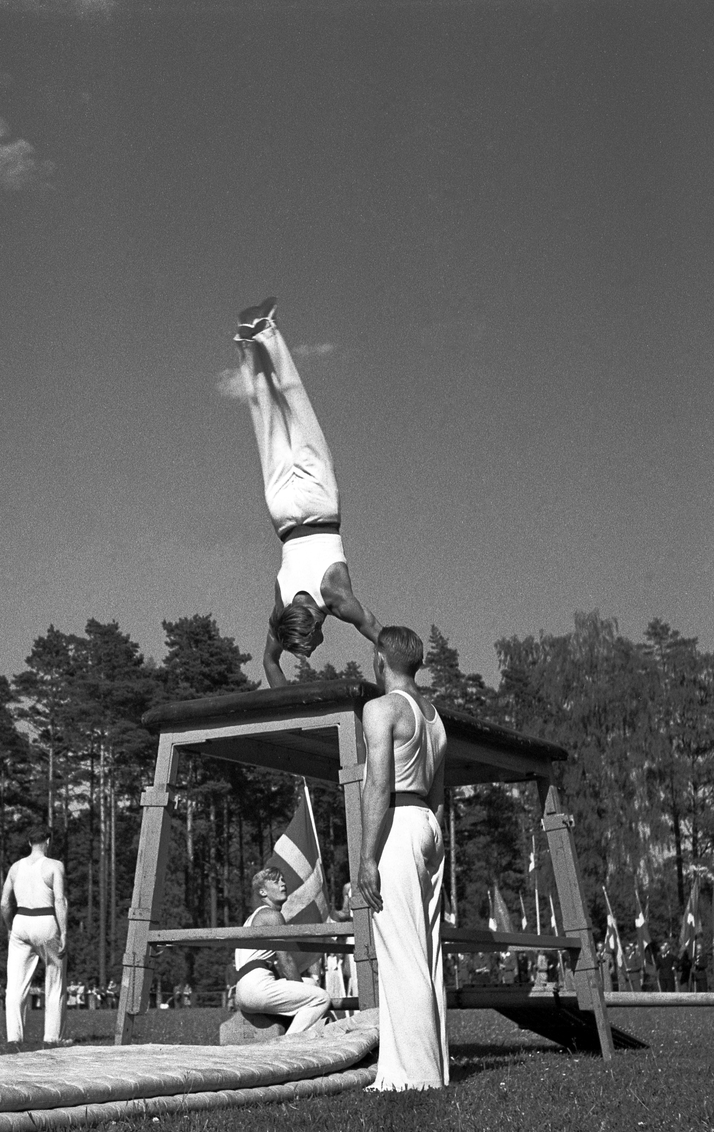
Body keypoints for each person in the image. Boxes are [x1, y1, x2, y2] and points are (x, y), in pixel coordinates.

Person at [234, 298, 381, 687]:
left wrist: (393, 691)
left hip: (319, 505)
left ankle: (268, 331)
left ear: (314, 625)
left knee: (298, 411)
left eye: (308, 647)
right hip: (283, 514)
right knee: (268, 424)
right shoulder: (280, 609)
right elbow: (270, 663)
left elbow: (382, 638)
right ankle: (247, 344)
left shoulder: (336, 598)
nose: (311, 652)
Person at [355, 626, 449, 1091]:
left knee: (401, 953)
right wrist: (432, 839)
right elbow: (439, 793)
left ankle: (420, 1077)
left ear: (380, 659)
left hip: (397, 823)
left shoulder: (381, 708)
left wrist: (366, 857)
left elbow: (377, 783)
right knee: (427, 955)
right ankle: (406, 1071)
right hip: (427, 823)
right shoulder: (434, 718)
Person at [233, 867, 330, 1035]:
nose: (283, 883)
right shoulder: (271, 916)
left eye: (283, 880)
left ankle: (309, 1036)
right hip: (256, 988)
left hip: (245, 988)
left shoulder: (254, 917)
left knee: (312, 984)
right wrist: (301, 992)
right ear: (262, 892)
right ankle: (287, 1044)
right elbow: (286, 960)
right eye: (275, 881)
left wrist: (303, 989)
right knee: (321, 998)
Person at [0, 825, 71, 1050]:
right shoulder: (54, 866)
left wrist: (9, 927)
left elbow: (4, 903)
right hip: (46, 921)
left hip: (21, 922)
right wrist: (64, 931)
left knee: (15, 984)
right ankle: (52, 1038)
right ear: (48, 841)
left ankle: (14, 1038)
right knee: (55, 982)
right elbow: (59, 900)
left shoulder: (15, 868)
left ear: (29, 842)